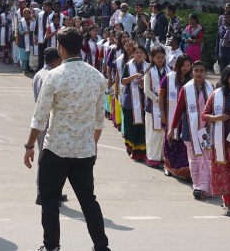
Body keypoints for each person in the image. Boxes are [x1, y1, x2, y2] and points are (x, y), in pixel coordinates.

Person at [24, 27, 109, 251]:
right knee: (88, 201)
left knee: (50, 201)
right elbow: (100, 120)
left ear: (61, 48)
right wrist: (94, 144)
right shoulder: (97, 77)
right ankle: (101, 246)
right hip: (84, 150)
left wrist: (30, 145)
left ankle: (51, 246)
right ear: (80, 46)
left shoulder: (53, 76)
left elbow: (40, 117)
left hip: (56, 150)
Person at [202, 64, 230, 216]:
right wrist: (217, 118)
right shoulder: (216, 94)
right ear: (226, 76)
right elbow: (204, 115)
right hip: (221, 143)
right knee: (226, 172)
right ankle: (229, 205)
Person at [170, 60, 217, 198]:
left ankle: (207, 185)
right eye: (196, 70)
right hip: (190, 129)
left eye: (202, 71)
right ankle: (198, 186)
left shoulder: (212, 89)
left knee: (205, 158)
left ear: (206, 73)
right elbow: (178, 111)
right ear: (192, 72)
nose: (199, 73)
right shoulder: (186, 89)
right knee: (194, 158)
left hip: (206, 131)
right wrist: (172, 128)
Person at [30, 48, 68, 203]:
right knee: (46, 159)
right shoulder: (49, 76)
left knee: (53, 159)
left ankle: (54, 191)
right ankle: (43, 193)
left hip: (44, 120)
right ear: (57, 61)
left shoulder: (40, 74)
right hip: (48, 121)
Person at [162, 55, 194, 180]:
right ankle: (168, 166)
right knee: (170, 141)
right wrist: (162, 114)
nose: (186, 68)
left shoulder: (191, 79)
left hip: (187, 118)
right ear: (178, 65)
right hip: (171, 115)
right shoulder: (168, 78)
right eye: (183, 66)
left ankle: (185, 170)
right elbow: (161, 97)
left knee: (184, 144)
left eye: (188, 66)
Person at [119, 44, 150, 162]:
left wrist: (143, 82)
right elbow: (123, 81)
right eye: (136, 52)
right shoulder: (128, 66)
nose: (138, 55)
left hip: (143, 101)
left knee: (141, 128)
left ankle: (141, 152)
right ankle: (130, 148)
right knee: (130, 127)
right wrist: (134, 77)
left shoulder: (148, 66)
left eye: (141, 53)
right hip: (129, 102)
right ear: (132, 54)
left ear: (145, 55)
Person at [142, 46, 170, 168]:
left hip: (167, 107)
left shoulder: (170, 70)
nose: (160, 59)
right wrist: (158, 100)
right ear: (152, 58)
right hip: (152, 107)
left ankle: (165, 158)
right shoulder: (149, 71)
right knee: (153, 134)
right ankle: (153, 158)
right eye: (157, 57)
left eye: (162, 57)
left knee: (164, 133)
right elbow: (147, 90)